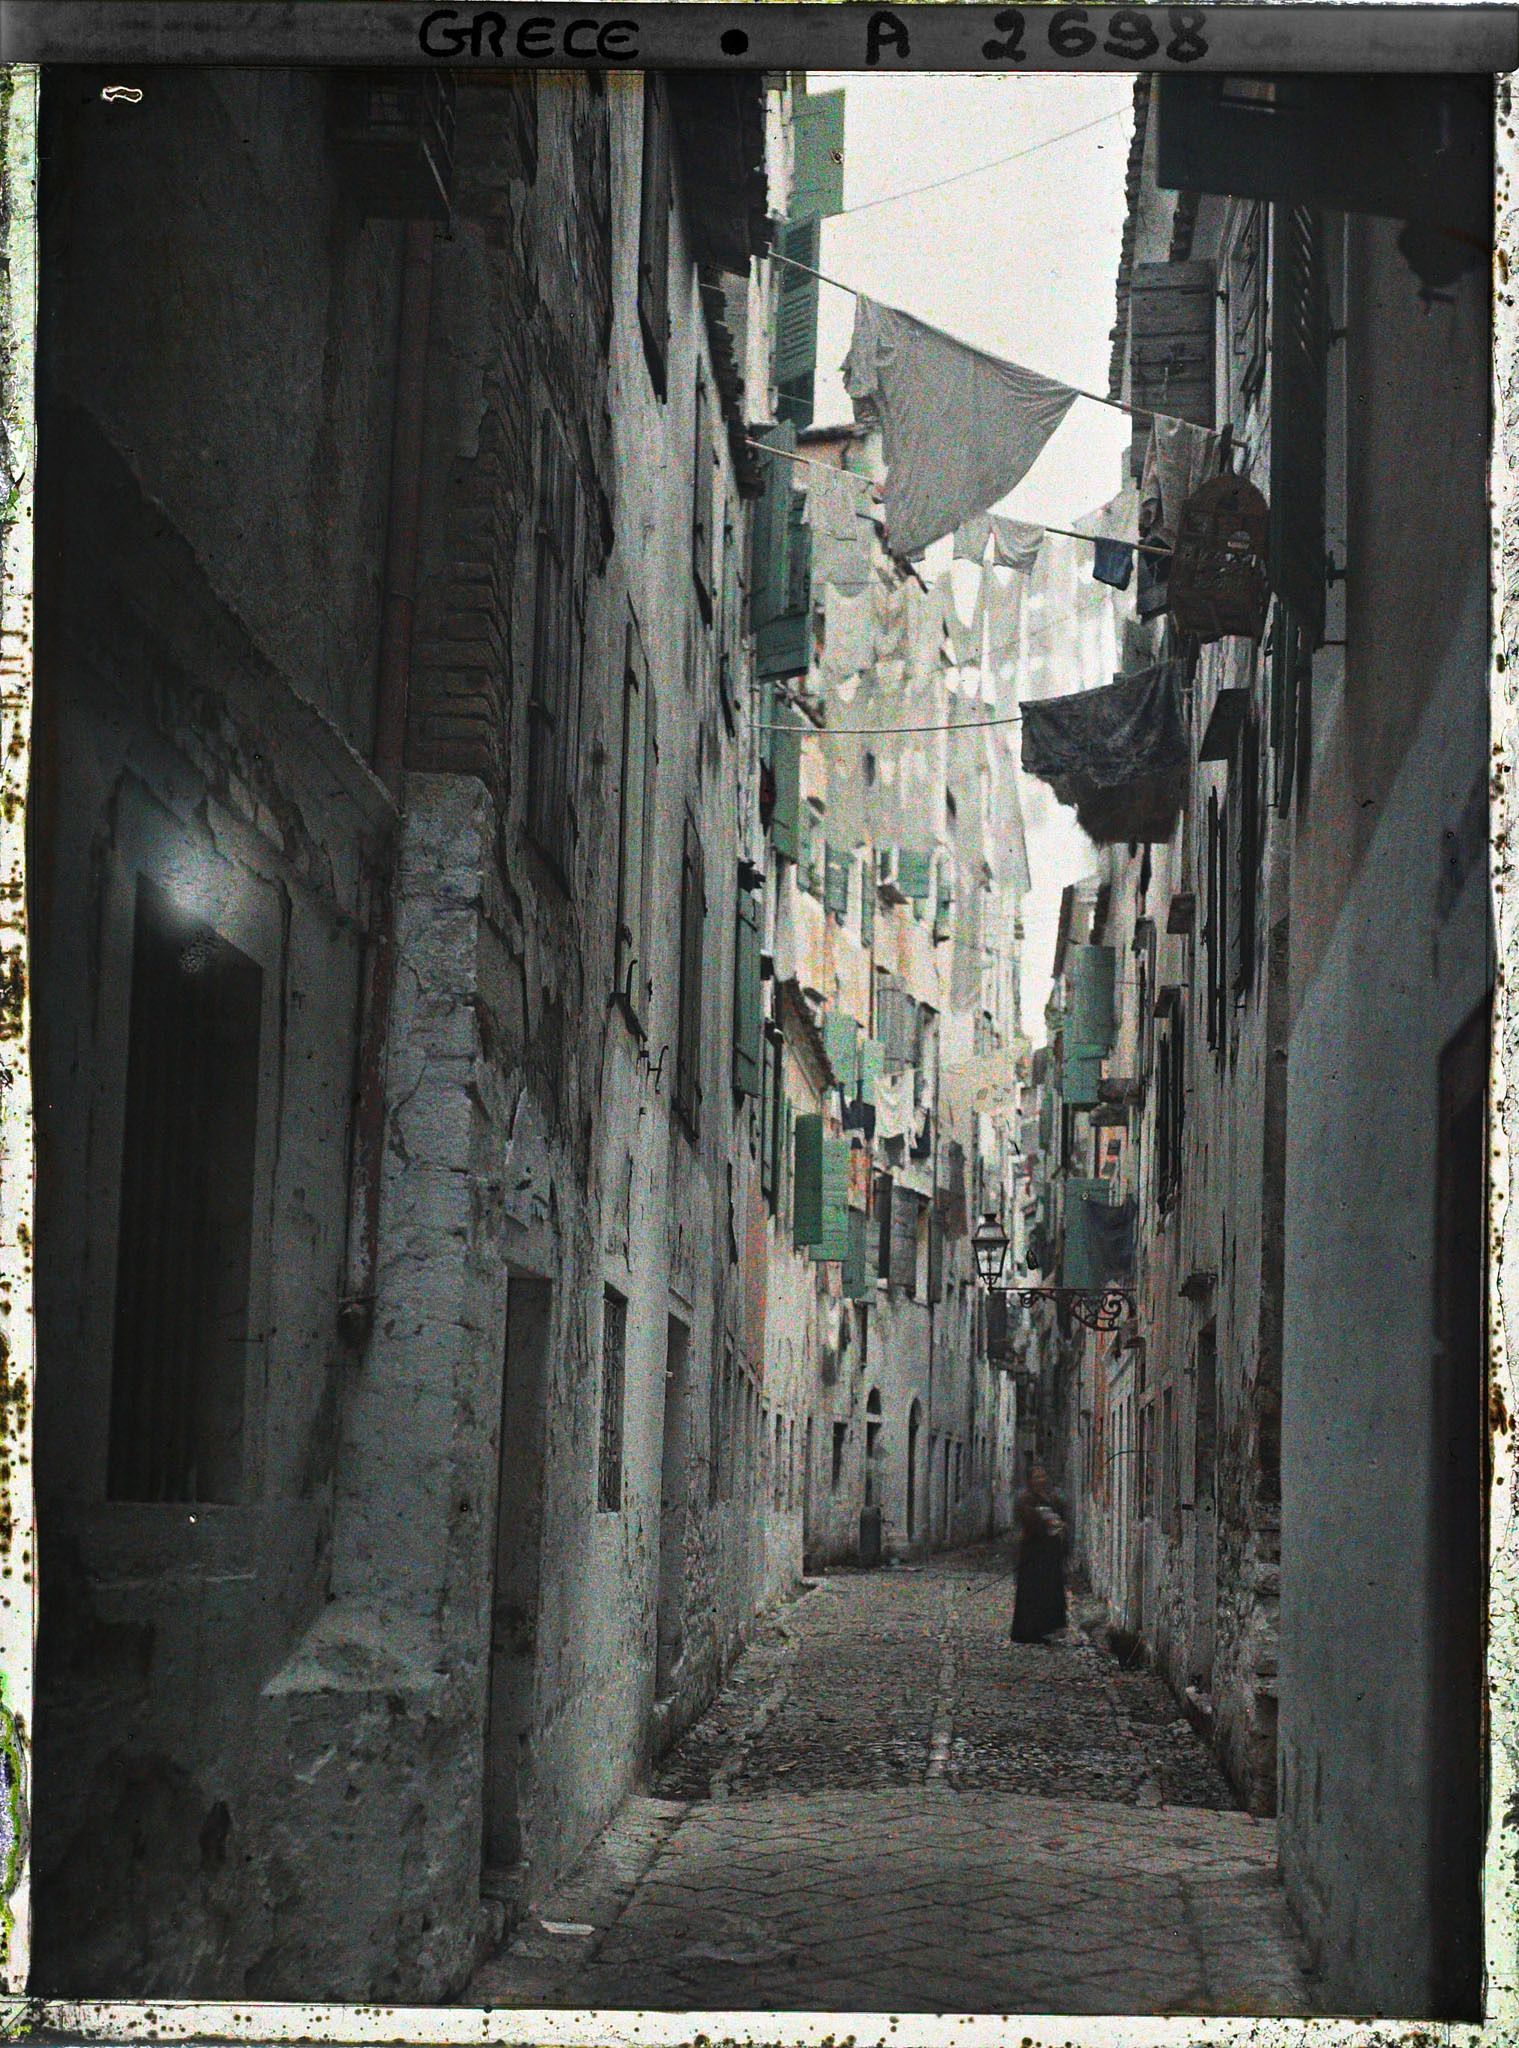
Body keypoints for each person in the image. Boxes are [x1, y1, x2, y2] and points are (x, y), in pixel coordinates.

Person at [1011, 1465, 1068, 1643]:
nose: (1040, 1480)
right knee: (1032, 1591)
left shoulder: (1051, 1498)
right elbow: (1031, 1522)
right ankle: (1028, 1631)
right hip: (1033, 1551)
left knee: (1047, 1590)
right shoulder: (1025, 1499)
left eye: (1042, 1477)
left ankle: (1044, 1629)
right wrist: (1047, 1524)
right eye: (1036, 1477)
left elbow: (1060, 1518)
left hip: (1050, 1551)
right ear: (1030, 1480)